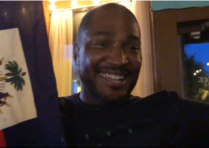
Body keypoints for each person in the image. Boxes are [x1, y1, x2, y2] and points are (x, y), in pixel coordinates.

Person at [59, 3, 209, 147]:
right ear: (76, 54)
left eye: (132, 47)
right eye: (102, 44)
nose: (119, 61)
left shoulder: (167, 114)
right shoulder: (54, 118)